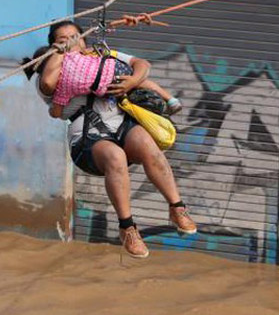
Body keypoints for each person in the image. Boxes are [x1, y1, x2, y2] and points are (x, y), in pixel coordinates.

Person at [24, 21, 196, 258]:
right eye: (63, 39)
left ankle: (177, 208)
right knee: (116, 156)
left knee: (148, 144)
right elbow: (47, 84)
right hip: (87, 138)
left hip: (121, 124)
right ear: (53, 45)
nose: (72, 41)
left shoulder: (101, 56)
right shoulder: (49, 70)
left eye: (76, 36)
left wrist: (133, 81)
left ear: (84, 39)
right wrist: (60, 53)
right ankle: (127, 228)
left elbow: (141, 65)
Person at [40, 41, 182, 119]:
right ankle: (171, 99)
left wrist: (51, 111)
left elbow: (58, 113)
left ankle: (159, 109)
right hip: (113, 66)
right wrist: (133, 80)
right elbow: (76, 44)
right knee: (141, 83)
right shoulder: (73, 54)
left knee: (134, 90)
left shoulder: (62, 90)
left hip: (107, 86)